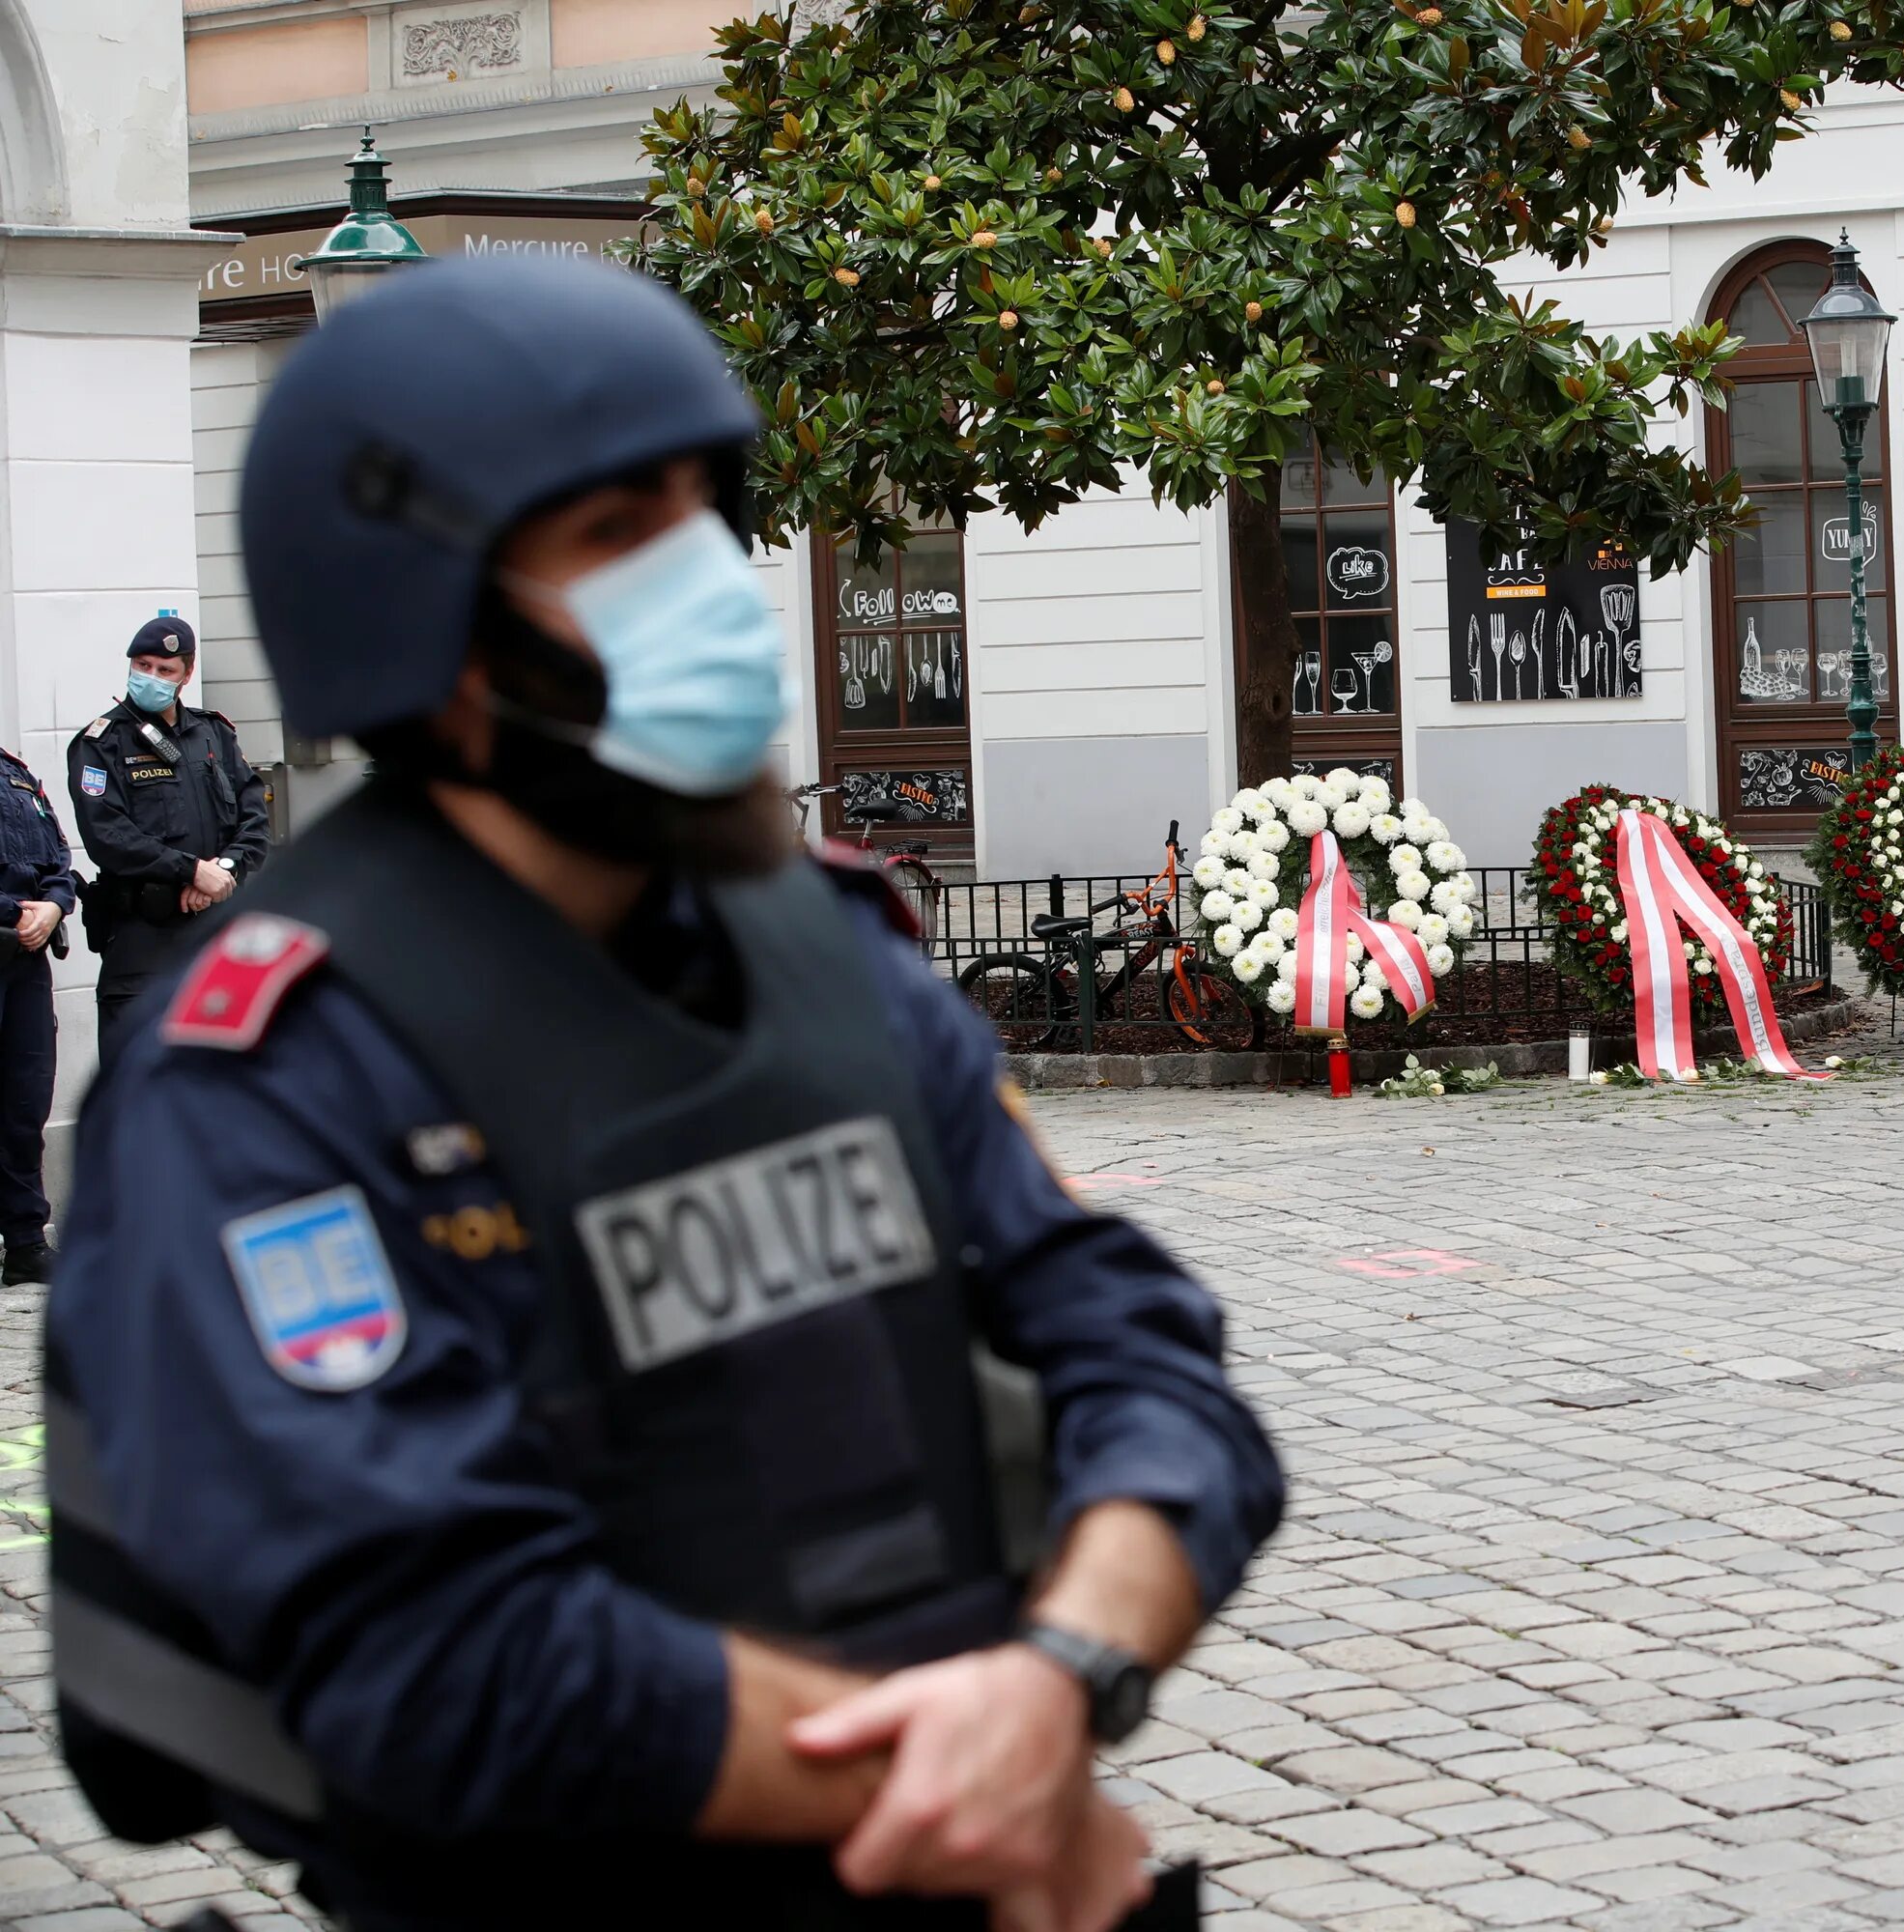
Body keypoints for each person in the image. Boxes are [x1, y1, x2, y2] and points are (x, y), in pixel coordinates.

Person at [44, 255, 1283, 1930]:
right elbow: (445, 1653)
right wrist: (991, 1806)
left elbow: (1141, 1352)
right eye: (621, 533)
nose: (704, 579)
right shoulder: (270, 1076)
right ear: (433, 619)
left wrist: (1056, 1682)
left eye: (704, 513)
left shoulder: (828, 952)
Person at [66, 614, 269, 1059]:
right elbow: (107, 834)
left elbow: (254, 823)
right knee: (141, 1079)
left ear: (186, 674)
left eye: (165, 670)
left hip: (216, 937)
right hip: (142, 941)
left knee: (224, 1077)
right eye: (143, 666)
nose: (151, 677)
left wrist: (221, 874)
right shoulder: (101, 742)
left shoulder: (213, 733)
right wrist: (191, 871)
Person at [0, 738, 73, 1285]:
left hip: (24, 961)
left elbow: (58, 857)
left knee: (25, 1104)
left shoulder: (16, 773)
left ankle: (26, 1241)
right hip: (12, 932)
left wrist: (53, 904)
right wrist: (17, 912)